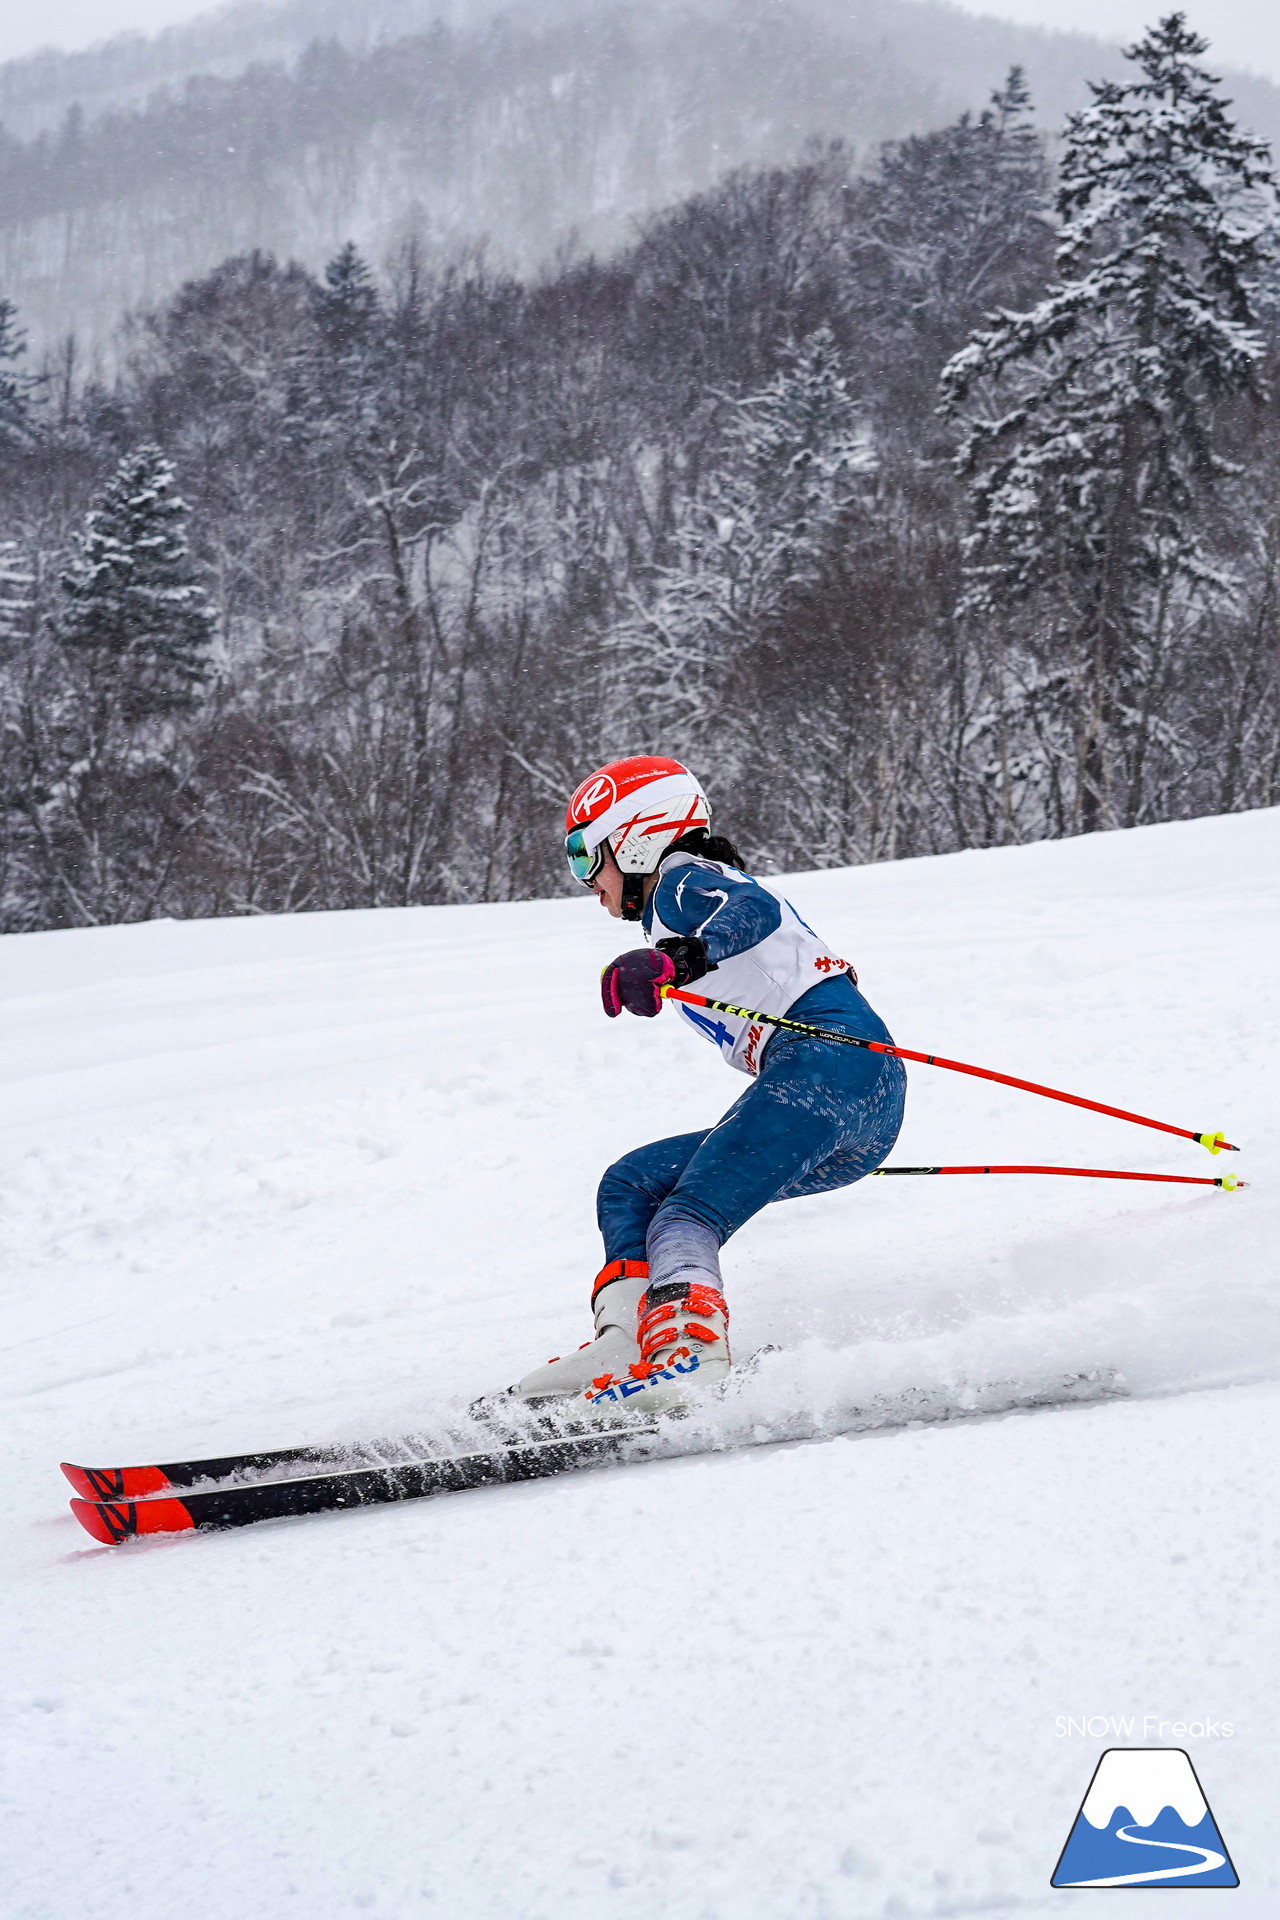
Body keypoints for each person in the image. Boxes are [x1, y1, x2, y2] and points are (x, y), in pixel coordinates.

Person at [512, 755, 906, 1415]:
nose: (585, 880)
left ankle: (689, 1352)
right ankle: (628, 1337)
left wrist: (676, 958)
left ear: (637, 835)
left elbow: (745, 911)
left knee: (686, 1211)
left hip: (825, 1068)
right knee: (633, 1181)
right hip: (846, 1094)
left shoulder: (684, 881)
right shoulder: (679, 897)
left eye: (586, 854)